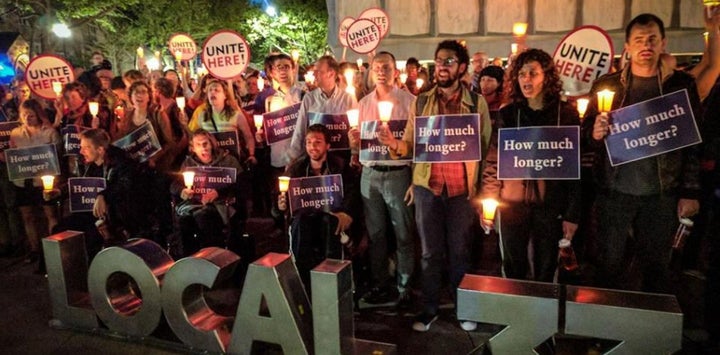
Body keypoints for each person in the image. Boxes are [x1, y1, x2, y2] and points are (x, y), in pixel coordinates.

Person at [377, 40, 492, 332]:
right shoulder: (422, 101)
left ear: (462, 67)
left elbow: (485, 146)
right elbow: (413, 146)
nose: (442, 66)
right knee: (429, 253)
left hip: (461, 191)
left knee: (460, 251)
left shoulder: (476, 103)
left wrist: (482, 191)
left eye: (449, 61)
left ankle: (463, 308)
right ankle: (429, 309)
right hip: (429, 188)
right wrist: (394, 144)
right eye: (439, 61)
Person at [582, 13, 702, 293]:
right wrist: (594, 132)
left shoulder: (680, 85)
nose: (645, 45)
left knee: (657, 268)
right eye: (638, 40)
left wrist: (690, 192)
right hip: (614, 192)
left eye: (652, 39)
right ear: (627, 46)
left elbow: (693, 143)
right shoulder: (607, 85)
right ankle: (607, 329)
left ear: (663, 43)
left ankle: (650, 331)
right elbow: (586, 131)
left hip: (661, 194)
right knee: (608, 264)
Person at [480, 49, 581, 282]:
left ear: (546, 76)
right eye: (522, 74)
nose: (527, 79)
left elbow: (575, 173)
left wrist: (572, 214)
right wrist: (489, 200)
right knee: (513, 266)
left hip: (550, 207)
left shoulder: (565, 115)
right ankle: (516, 315)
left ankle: (542, 316)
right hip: (512, 205)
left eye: (533, 73)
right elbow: (494, 162)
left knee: (546, 268)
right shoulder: (508, 115)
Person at [348, 51, 415, 308]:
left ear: (395, 71)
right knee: (376, 234)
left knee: (404, 233)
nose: (381, 71)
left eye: (386, 66)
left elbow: (418, 144)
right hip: (370, 174)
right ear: (371, 71)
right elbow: (359, 144)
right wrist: (354, 144)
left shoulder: (410, 102)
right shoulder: (363, 103)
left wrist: (414, 180)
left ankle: (404, 286)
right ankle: (380, 284)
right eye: (377, 67)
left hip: (398, 173)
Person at [280, 124, 359, 290]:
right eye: (308, 142)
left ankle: (332, 286)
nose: (312, 147)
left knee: (332, 223)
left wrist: (347, 213)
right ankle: (304, 286)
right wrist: (282, 205)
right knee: (300, 226)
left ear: (327, 146)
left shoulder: (340, 166)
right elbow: (286, 201)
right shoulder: (297, 168)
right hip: (305, 220)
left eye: (317, 142)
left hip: (331, 217)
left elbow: (352, 193)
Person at [172, 129, 245, 256]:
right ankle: (188, 260)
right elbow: (174, 185)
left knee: (204, 217)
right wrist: (182, 190)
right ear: (193, 148)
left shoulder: (228, 161)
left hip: (221, 204)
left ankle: (213, 257)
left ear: (211, 144)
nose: (203, 148)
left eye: (205, 144)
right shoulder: (189, 164)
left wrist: (218, 192)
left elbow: (242, 184)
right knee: (183, 221)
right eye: (198, 145)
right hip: (195, 204)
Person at [8, 99, 62, 265]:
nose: (27, 119)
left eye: (31, 115)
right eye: (24, 115)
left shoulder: (50, 133)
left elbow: (58, 155)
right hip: (24, 181)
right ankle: (34, 249)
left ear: (38, 115)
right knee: (28, 216)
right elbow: (14, 155)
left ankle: (55, 248)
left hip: (45, 180)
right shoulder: (16, 133)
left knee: (50, 214)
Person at [79, 128, 153, 241]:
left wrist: (104, 195)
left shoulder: (121, 162)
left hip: (123, 221)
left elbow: (124, 185)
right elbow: (81, 186)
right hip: (99, 218)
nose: (81, 152)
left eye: (86, 148)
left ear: (100, 150)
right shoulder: (90, 166)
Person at [286, 55, 357, 164]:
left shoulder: (348, 99)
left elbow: (356, 130)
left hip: (342, 160)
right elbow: (300, 129)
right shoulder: (309, 98)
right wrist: (292, 159)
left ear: (331, 73)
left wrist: (355, 154)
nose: (314, 74)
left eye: (318, 71)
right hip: (316, 160)